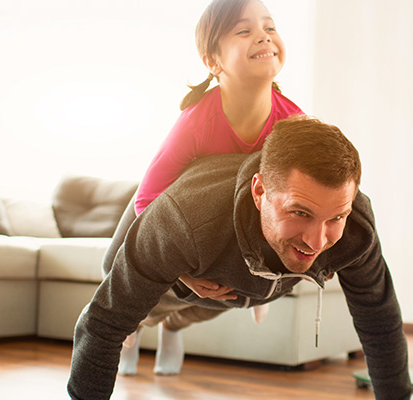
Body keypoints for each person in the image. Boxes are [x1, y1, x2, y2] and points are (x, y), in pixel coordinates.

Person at [69, 116, 413, 400]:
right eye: (300, 213)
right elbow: (102, 324)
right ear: (260, 192)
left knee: (212, 303)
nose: (317, 241)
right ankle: (141, 329)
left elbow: (379, 320)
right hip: (181, 252)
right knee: (129, 311)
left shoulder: (356, 228)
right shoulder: (184, 220)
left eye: (335, 217)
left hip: (236, 283)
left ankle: (173, 328)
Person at [101, 0, 303, 376]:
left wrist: (270, 267)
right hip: (168, 206)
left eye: (270, 27)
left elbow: (295, 202)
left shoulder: (292, 124)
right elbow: (148, 199)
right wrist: (181, 274)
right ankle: (131, 327)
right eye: (244, 31)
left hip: (230, 217)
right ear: (213, 61)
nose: (263, 35)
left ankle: (172, 328)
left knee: (227, 294)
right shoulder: (195, 122)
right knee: (111, 264)